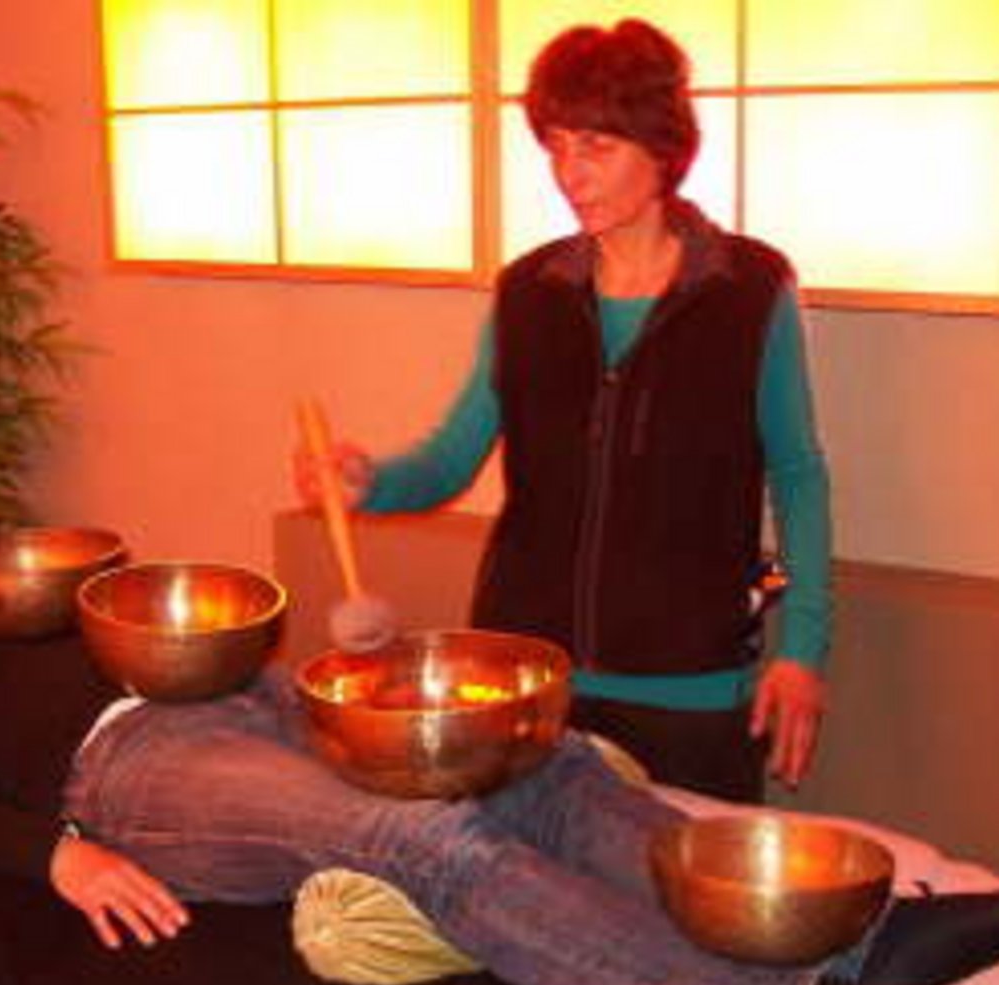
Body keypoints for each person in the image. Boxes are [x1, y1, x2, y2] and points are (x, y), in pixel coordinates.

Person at [0, 549, 999, 985]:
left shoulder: (32, 605)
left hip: (241, 694)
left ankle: (870, 940)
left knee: (530, 759)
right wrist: (54, 856)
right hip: (133, 774)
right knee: (415, 837)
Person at [294, 19, 829, 804]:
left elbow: (798, 473)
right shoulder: (528, 292)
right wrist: (365, 482)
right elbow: (451, 456)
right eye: (556, 147)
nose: (570, 174)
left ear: (662, 146)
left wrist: (803, 649)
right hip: (522, 682)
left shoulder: (749, 290)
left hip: (690, 684)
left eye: (596, 147)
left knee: (676, 879)